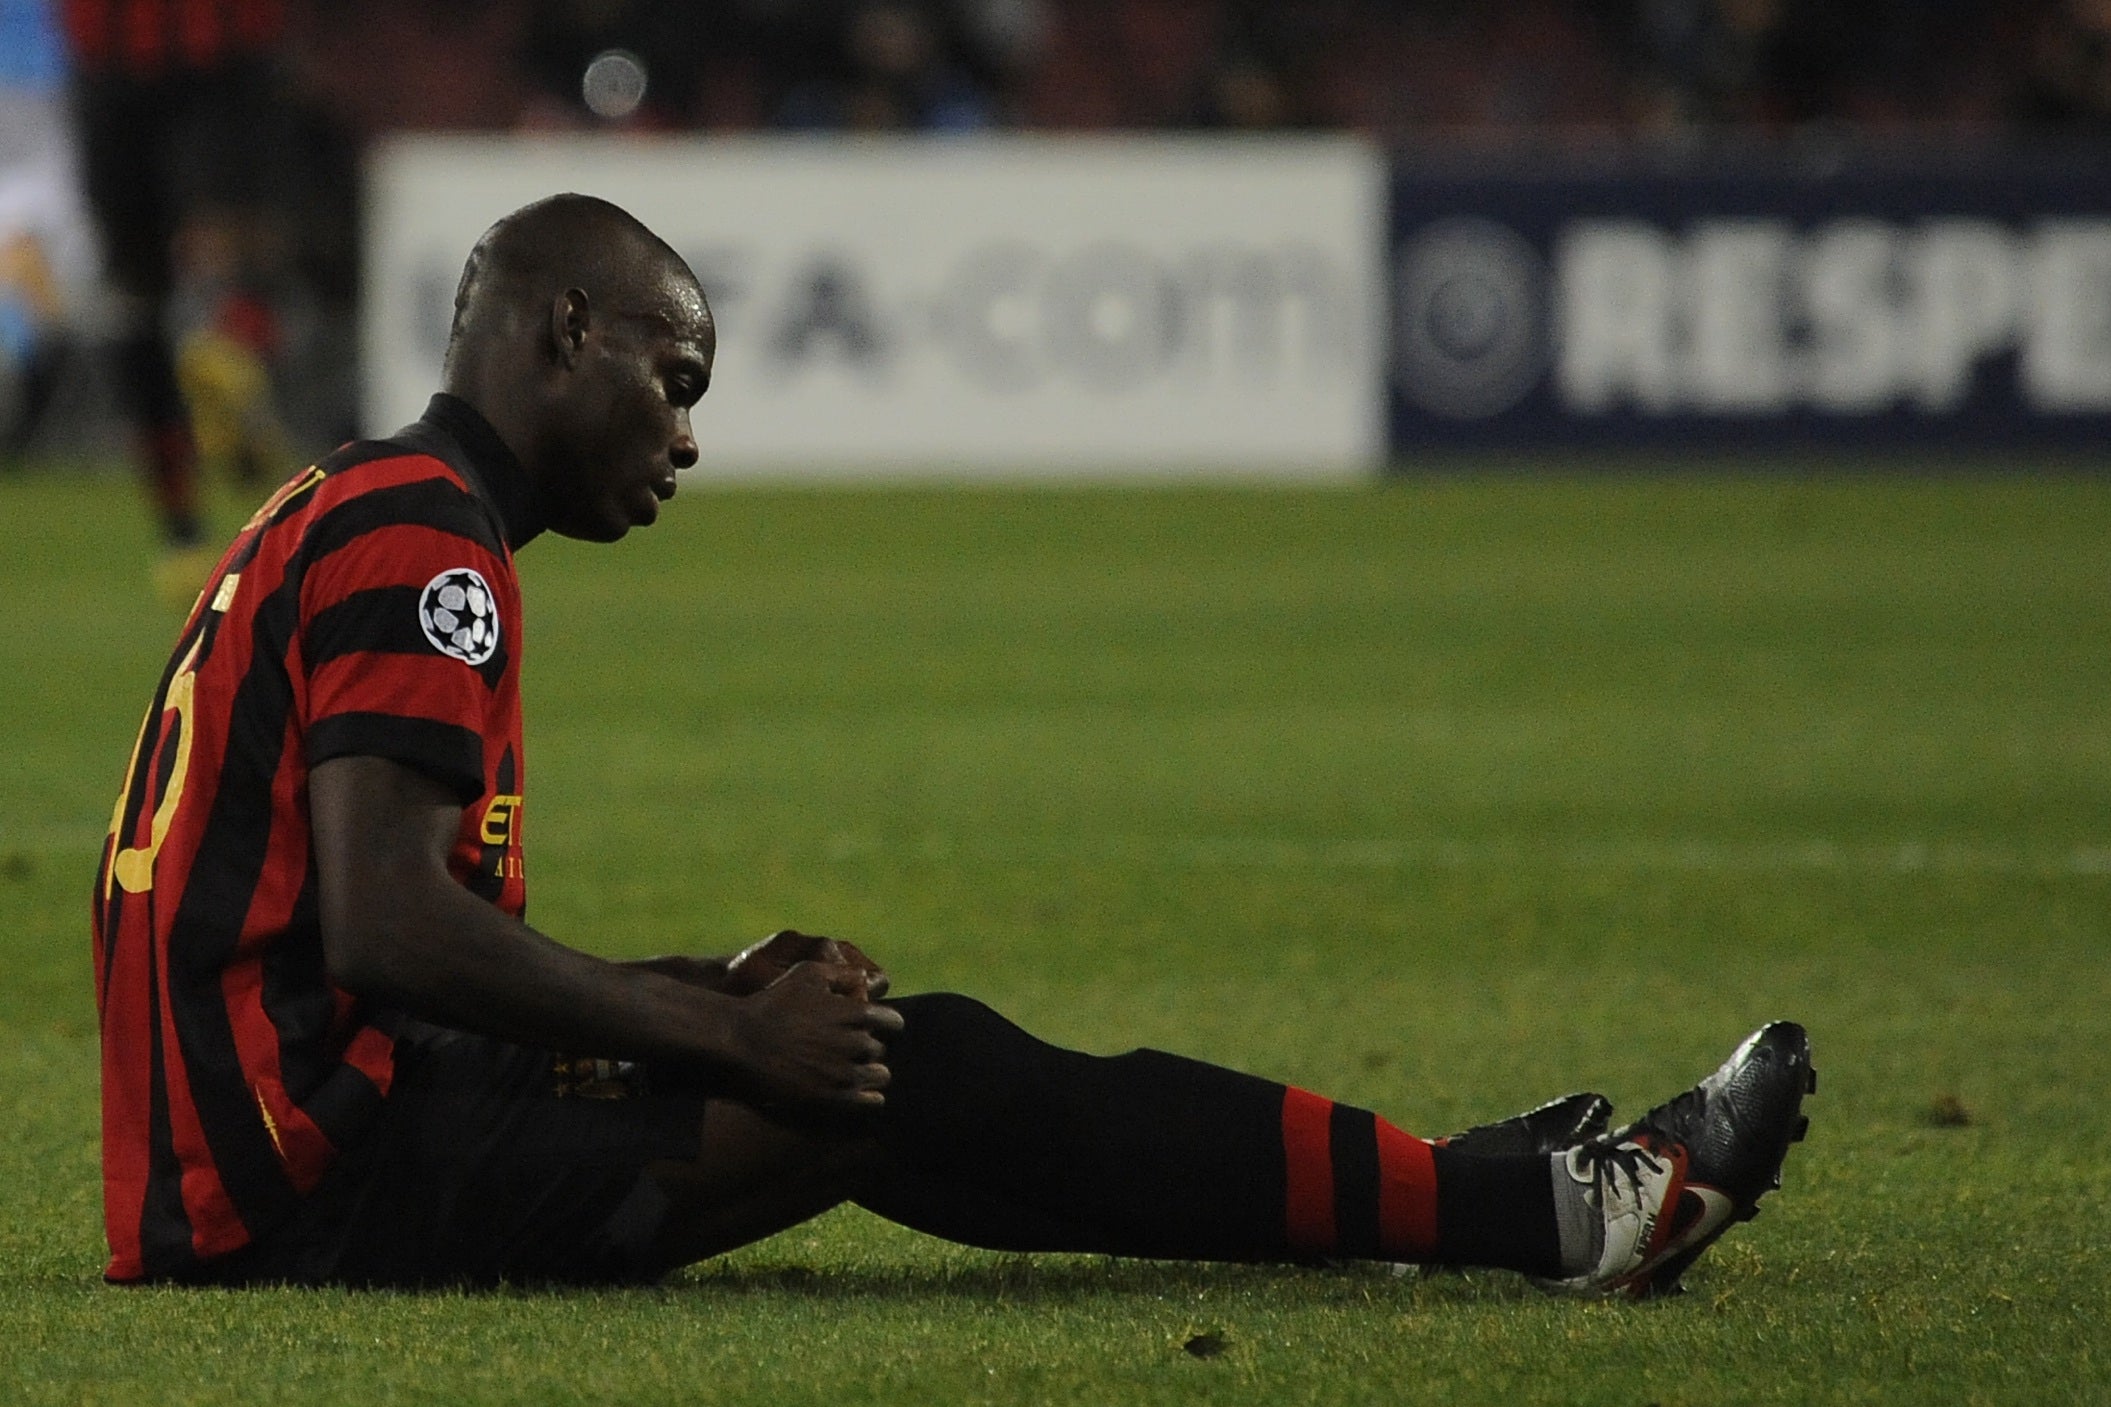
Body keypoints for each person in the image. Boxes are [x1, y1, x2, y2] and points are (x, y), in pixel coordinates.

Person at [94, 193, 1814, 1293]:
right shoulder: (426, 534)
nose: (689, 434)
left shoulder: (354, 492)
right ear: (564, 334)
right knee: (920, 1077)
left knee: (884, 1058)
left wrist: (704, 988)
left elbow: (371, 936)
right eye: (675, 377)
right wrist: (713, 1027)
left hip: (283, 1142)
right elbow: (383, 927)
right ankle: (1563, 1212)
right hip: (301, 1187)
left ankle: (1476, 1186)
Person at [60, 0, 296, 597]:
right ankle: (232, 360)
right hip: (170, 55)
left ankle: (183, 532)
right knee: (212, 254)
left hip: (173, 56)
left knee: (140, 293)